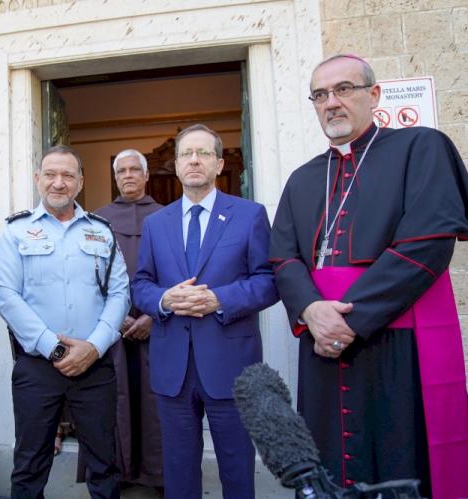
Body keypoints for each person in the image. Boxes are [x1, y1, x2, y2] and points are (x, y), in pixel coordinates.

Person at [269, 54, 468, 498]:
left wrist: (349, 320)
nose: (331, 103)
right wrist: (312, 311)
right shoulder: (302, 180)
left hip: (395, 342)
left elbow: (428, 243)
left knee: (402, 457)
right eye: (320, 95)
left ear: (374, 95)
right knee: (329, 470)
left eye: (344, 89)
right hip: (320, 341)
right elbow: (282, 258)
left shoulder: (421, 147)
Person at [131, 124, 278, 499]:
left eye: (204, 153)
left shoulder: (250, 215)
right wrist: (165, 300)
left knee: (236, 466)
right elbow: (141, 284)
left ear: (219, 164)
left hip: (231, 363)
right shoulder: (156, 224)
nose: (194, 160)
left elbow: (269, 280)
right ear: (175, 166)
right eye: (185, 154)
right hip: (172, 369)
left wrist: (221, 300)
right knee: (178, 468)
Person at [0, 145, 130, 499]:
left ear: (80, 182)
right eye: (50, 174)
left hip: (95, 365)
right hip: (37, 366)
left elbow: (120, 294)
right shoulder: (15, 232)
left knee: (104, 460)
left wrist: (94, 346)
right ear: (38, 179)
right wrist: (52, 347)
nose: (59, 183)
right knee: (30, 463)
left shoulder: (102, 231)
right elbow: (6, 294)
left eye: (68, 175)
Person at [91, 149, 164, 489]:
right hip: (111, 329)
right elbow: (86, 277)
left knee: (156, 399)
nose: (129, 175)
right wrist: (116, 317)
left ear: (146, 175)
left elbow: (179, 273)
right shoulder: (96, 222)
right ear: (115, 176)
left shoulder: (168, 217)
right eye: (122, 170)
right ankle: (116, 473)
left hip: (160, 326)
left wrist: (154, 315)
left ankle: (158, 473)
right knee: (113, 397)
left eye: (135, 169)